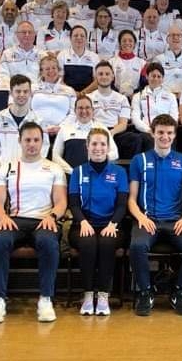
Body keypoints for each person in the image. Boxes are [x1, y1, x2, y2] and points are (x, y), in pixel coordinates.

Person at [0, 122, 66, 323]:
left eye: (36, 140)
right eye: (27, 140)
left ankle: (46, 298)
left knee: (49, 243)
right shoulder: (7, 167)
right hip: (15, 219)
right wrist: (2, 217)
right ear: (20, 141)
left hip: (44, 220)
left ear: (42, 142)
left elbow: (61, 201)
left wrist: (53, 216)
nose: (32, 144)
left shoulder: (54, 168)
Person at [128, 115, 182, 316]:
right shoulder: (140, 160)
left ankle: (178, 291)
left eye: (169, 133)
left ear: (174, 135)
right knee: (136, 246)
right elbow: (131, 199)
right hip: (147, 219)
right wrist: (141, 218)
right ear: (153, 133)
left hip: (175, 221)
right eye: (161, 132)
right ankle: (146, 292)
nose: (165, 137)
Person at [68, 128, 128, 316]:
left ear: (108, 147)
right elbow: (74, 203)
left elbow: (121, 205)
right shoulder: (78, 172)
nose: (98, 148)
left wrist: (113, 224)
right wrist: (83, 222)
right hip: (83, 224)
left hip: (111, 224)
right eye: (94, 143)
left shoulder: (119, 172)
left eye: (102, 144)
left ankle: (103, 295)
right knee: (88, 242)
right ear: (87, 146)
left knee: (107, 242)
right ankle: (87, 294)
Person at [0, 74, 49, 174]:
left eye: (25, 91)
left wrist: (32, 169)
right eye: (18, 91)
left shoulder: (39, 121)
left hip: (30, 174)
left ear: (30, 93)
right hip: (3, 173)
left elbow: (43, 149)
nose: (22, 95)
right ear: (11, 93)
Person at [86, 61, 143, 159]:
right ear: (96, 77)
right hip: (94, 132)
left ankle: (127, 171)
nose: (104, 77)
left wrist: (110, 133)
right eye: (100, 74)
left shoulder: (122, 98)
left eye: (107, 74)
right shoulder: (88, 98)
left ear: (113, 77)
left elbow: (123, 124)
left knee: (135, 139)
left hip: (115, 132)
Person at [52, 95, 118, 174]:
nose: (84, 111)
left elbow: (114, 153)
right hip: (70, 177)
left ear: (93, 110)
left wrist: (98, 160)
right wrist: (72, 172)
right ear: (75, 111)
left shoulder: (102, 128)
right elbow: (55, 156)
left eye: (87, 108)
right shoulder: (65, 129)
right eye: (80, 108)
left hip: (96, 175)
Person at [130, 62, 178, 149]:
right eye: (153, 76)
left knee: (169, 139)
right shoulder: (138, 96)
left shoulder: (171, 96)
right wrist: (149, 130)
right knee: (150, 140)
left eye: (159, 76)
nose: (156, 79)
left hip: (166, 131)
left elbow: (174, 117)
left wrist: (164, 131)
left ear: (163, 78)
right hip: (147, 132)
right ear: (147, 76)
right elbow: (135, 118)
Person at [30, 55, 75, 135]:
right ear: (41, 72)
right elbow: (27, 110)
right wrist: (40, 127)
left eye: (54, 68)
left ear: (58, 70)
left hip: (63, 132)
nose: (51, 71)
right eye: (47, 69)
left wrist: (61, 127)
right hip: (36, 130)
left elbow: (73, 113)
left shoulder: (69, 91)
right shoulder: (32, 88)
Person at [153, 25, 182, 96]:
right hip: (163, 97)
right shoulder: (158, 59)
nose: (176, 38)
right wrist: (169, 95)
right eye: (173, 35)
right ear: (167, 39)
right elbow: (155, 82)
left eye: (179, 35)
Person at [57, 25, 100, 94]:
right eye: (75, 35)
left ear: (86, 39)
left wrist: (83, 93)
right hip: (67, 94)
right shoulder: (62, 55)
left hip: (89, 95)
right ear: (70, 38)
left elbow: (97, 81)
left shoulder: (94, 57)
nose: (79, 38)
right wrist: (73, 93)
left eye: (82, 36)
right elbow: (59, 80)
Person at [108, 29, 146, 98]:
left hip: (135, 98)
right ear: (119, 43)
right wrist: (117, 95)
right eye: (124, 41)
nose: (127, 43)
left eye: (130, 41)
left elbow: (144, 85)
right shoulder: (111, 62)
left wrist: (136, 95)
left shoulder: (142, 63)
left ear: (134, 44)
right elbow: (108, 83)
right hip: (115, 98)